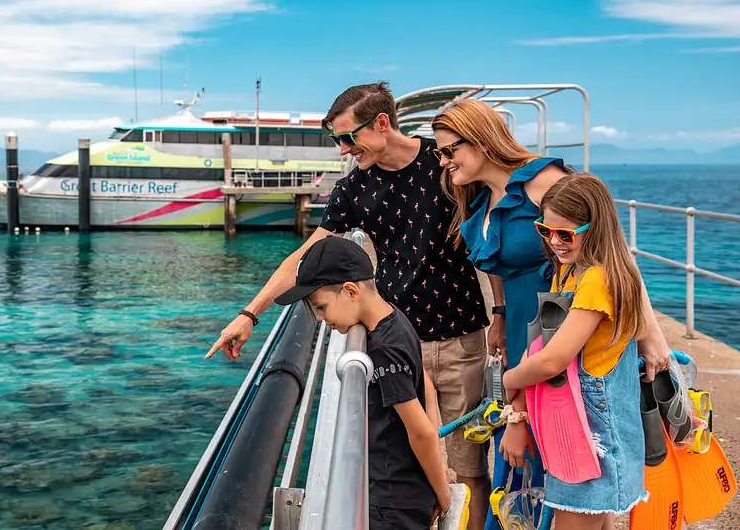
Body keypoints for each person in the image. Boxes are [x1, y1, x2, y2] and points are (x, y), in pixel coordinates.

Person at [206, 82, 492, 529]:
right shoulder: (356, 188)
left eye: (347, 138)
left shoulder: (445, 164)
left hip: (459, 339)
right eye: (336, 140)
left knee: (469, 469)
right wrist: (249, 314)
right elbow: (304, 257)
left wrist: (507, 317)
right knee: (404, 468)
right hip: (397, 342)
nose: (342, 150)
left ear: (381, 123)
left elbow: (500, 212)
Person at [430, 99, 671, 529]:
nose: (443, 161)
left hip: (565, 340)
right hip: (531, 336)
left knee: (574, 466)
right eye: (439, 153)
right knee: (537, 467)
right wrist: (500, 314)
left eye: (449, 150)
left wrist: (650, 335)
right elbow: (499, 267)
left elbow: (613, 253)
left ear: (481, 140)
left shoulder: (544, 182)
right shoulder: (480, 198)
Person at [273, 236, 450, 529]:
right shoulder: (396, 320)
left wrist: (442, 492)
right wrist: (436, 470)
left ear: (350, 291)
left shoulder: (382, 351)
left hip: (392, 502)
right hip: (406, 488)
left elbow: (421, 433)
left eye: (321, 307)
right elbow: (427, 390)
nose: (320, 319)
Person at [502, 172, 648, 529]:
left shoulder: (597, 280)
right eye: (544, 230)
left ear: (594, 228)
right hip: (578, 422)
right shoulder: (569, 273)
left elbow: (552, 359)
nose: (555, 242)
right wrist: (518, 410)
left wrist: (508, 379)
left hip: (593, 429)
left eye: (565, 234)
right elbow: (541, 342)